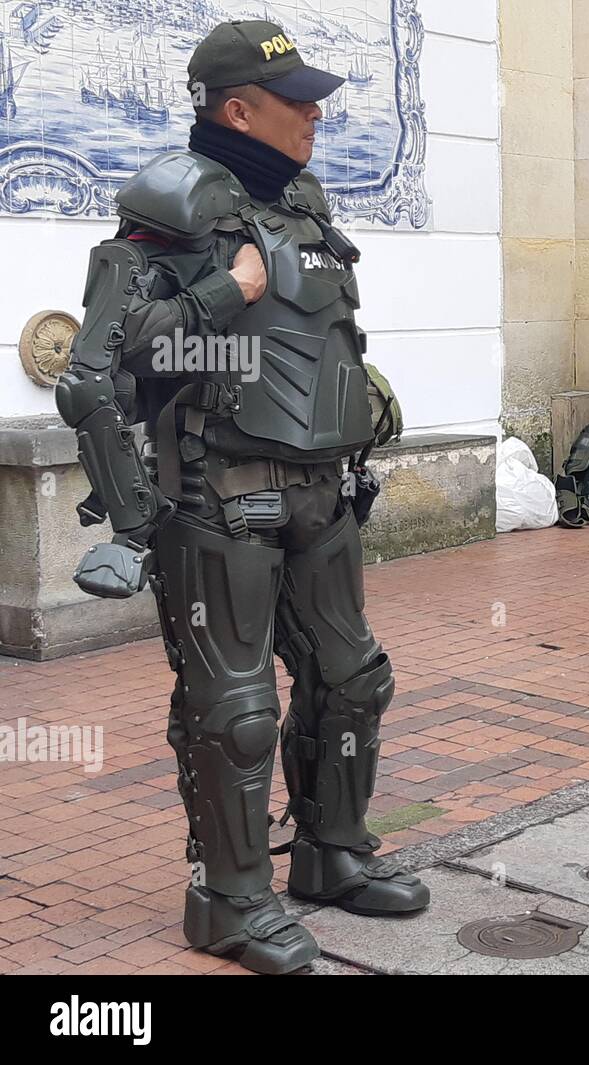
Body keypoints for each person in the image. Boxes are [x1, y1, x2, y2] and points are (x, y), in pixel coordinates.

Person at [55, 20, 428, 974]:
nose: (314, 113)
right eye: (296, 99)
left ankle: (331, 852)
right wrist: (224, 292)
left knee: (354, 681)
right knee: (236, 711)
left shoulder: (301, 204)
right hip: (219, 500)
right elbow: (101, 367)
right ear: (237, 110)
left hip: (324, 495)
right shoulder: (172, 207)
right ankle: (228, 903)